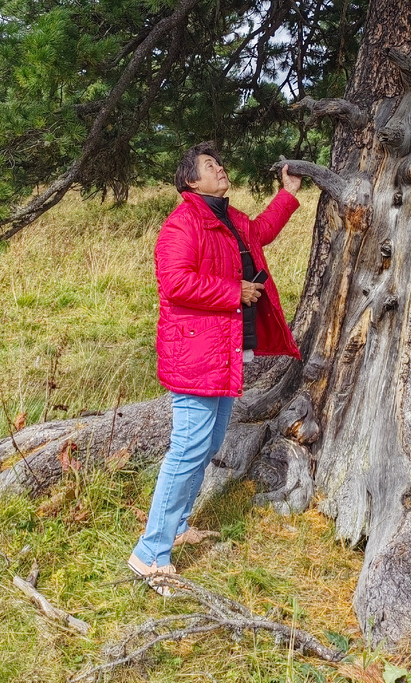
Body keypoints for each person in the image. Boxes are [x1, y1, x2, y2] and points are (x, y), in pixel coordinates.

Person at [128, 142, 303, 591]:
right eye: (210, 166)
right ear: (191, 181)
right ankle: (150, 553)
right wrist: (234, 291)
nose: (220, 168)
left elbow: (261, 232)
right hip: (195, 354)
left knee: (206, 447)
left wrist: (287, 194)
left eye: (220, 163)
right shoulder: (183, 223)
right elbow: (175, 282)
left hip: (223, 351)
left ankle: (179, 525)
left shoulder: (230, 218)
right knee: (187, 451)